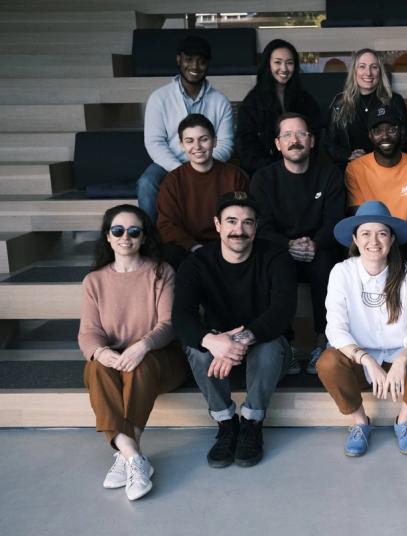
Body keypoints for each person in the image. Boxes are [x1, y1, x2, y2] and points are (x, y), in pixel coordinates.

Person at [172, 192, 296, 468]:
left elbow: (282, 312)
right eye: (231, 221)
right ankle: (226, 423)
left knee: (267, 346)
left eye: (247, 222)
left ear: (256, 226)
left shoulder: (276, 257)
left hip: (269, 358)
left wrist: (235, 342)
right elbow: (181, 317)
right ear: (217, 224)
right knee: (198, 347)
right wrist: (213, 342)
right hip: (218, 362)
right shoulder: (196, 262)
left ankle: (252, 422)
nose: (238, 230)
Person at [316, 201, 407, 456]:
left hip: (401, 366)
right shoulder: (342, 272)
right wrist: (366, 360)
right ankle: (360, 423)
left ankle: (404, 421)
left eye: (382, 233)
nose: (373, 241)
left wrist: (400, 361)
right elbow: (335, 329)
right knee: (328, 362)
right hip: (360, 365)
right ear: (355, 238)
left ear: (392, 239)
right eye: (365, 233)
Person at [78, 204, 188, 501]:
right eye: (118, 230)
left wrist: (142, 345)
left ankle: (125, 455)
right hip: (116, 357)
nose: (125, 237)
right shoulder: (94, 281)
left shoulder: (161, 272)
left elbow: (169, 325)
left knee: (138, 366)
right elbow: (88, 333)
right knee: (95, 367)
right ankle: (133, 456)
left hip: (161, 357)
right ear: (108, 237)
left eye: (134, 231)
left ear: (143, 237)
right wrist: (100, 352)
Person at [250, 112, 345, 374]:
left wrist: (315, 243)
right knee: (276, 263)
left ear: (312, 141)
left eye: (301, 134)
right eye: (287, 135)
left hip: (319, 248)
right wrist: (288, 245)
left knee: (328, 262)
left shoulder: (330, 175)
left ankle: (322, 342)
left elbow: (335, 220)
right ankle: (286, 347)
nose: (295, 140)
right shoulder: (263, 179)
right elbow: (262, 226)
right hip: (280, 249)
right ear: (278, 143)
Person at [345, 105, 407, 304]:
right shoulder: (356, 169)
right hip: (371, 237)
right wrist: (381, 240)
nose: (385, 136)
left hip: (406, 236)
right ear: (370, 135)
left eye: (392, 129)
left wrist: (393, 239)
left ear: (402, 132)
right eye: (378, 130)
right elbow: (358, 220)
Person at [137, 35, 234, 222]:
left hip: (209, 161)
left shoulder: (220, 101)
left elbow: (225, 144)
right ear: (179, 59)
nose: (195, 66)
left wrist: (202, 165)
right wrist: (180, 170)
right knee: (146, 183)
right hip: (169, 163)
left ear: (208, 64)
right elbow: (154, 142)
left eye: (201, 61)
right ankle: (150, 240)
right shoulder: (159, 97)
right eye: (189, 60)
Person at [157, 113, 248, 269]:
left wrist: (226, 246)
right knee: (169, 253)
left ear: (214, 141)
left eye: (203, 139)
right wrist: (193, 246)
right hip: (189, 247)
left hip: (228, 244)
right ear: (181, 145)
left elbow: (245, 216)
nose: (197, 147)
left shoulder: (234, 176)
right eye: (189, 141)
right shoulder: (173, 181)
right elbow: (167, 225)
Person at [236, 39, 321, 177]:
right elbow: (246, 150)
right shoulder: (251, 103)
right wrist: (278, 170)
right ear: (267, 64)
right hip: (265, 175)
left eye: (289, 63)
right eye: (277, 62)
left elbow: (315, 140)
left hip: (303, 171)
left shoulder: (306, 100)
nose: (284, 69)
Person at [325, 48, 407, 168]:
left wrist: (379, 159)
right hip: (350, 169)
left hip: (387, 168)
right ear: (354, 71)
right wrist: (349, 156)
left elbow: (403, 140)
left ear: (380, 71)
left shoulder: (394, 101)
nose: (368, 73)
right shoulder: (339, 103)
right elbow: (329, 143)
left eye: (374, 67)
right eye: (362, 67)